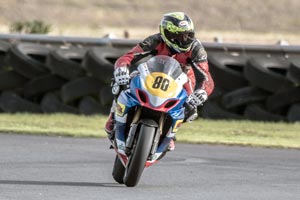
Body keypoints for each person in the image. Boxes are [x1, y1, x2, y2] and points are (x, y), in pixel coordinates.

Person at [105, 12, 214, 150]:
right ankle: (114, 117)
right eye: (179, 36)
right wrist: (121, 69)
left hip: (183, 79)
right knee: (123, 82)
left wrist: (202, 92)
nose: (185, 40)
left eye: (188, 35)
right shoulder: (155, 40)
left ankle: (170, 133)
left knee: (191, 107)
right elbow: (128, 56)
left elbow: (206, 77)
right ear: (167, 34)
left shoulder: (196, 49)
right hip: (154, 72)